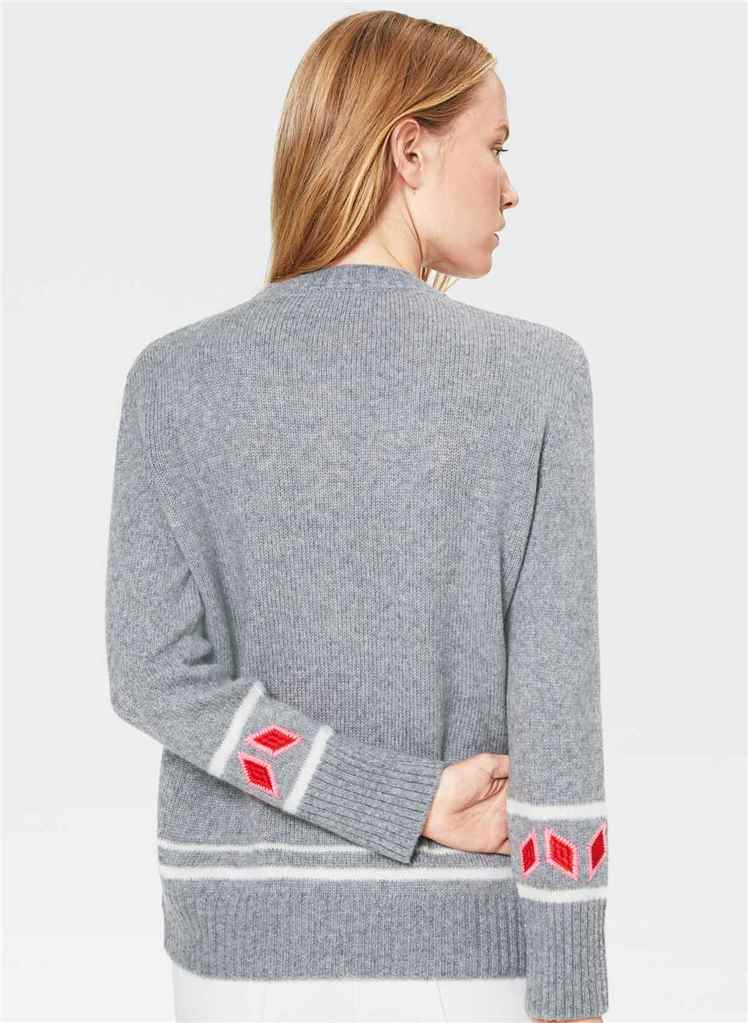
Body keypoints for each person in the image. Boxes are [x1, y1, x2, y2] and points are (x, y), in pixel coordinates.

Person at [105, 10, 609, 1023]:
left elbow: (154, 677)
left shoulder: (174, 378)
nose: (510, 186)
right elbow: (556, 708)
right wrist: (571, 984)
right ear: (409, 150)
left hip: (234, 944)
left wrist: (385, 796)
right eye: (497, 146)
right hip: (461, 946)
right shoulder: (536, 376)